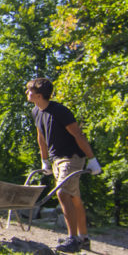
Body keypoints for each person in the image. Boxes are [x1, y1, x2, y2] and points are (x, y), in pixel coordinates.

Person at [26, 77, 102, 253]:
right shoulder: (36, 111)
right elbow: (41, 137)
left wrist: (92, 159)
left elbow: (78, 135)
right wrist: (44, 160)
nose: (27, 93)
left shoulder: (60, 111)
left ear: (38, 95)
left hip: (71, 157)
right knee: (74, 198)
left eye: (29, 90)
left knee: (62, 192)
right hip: (56, 159)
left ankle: (72, 239)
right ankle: (83, 238)